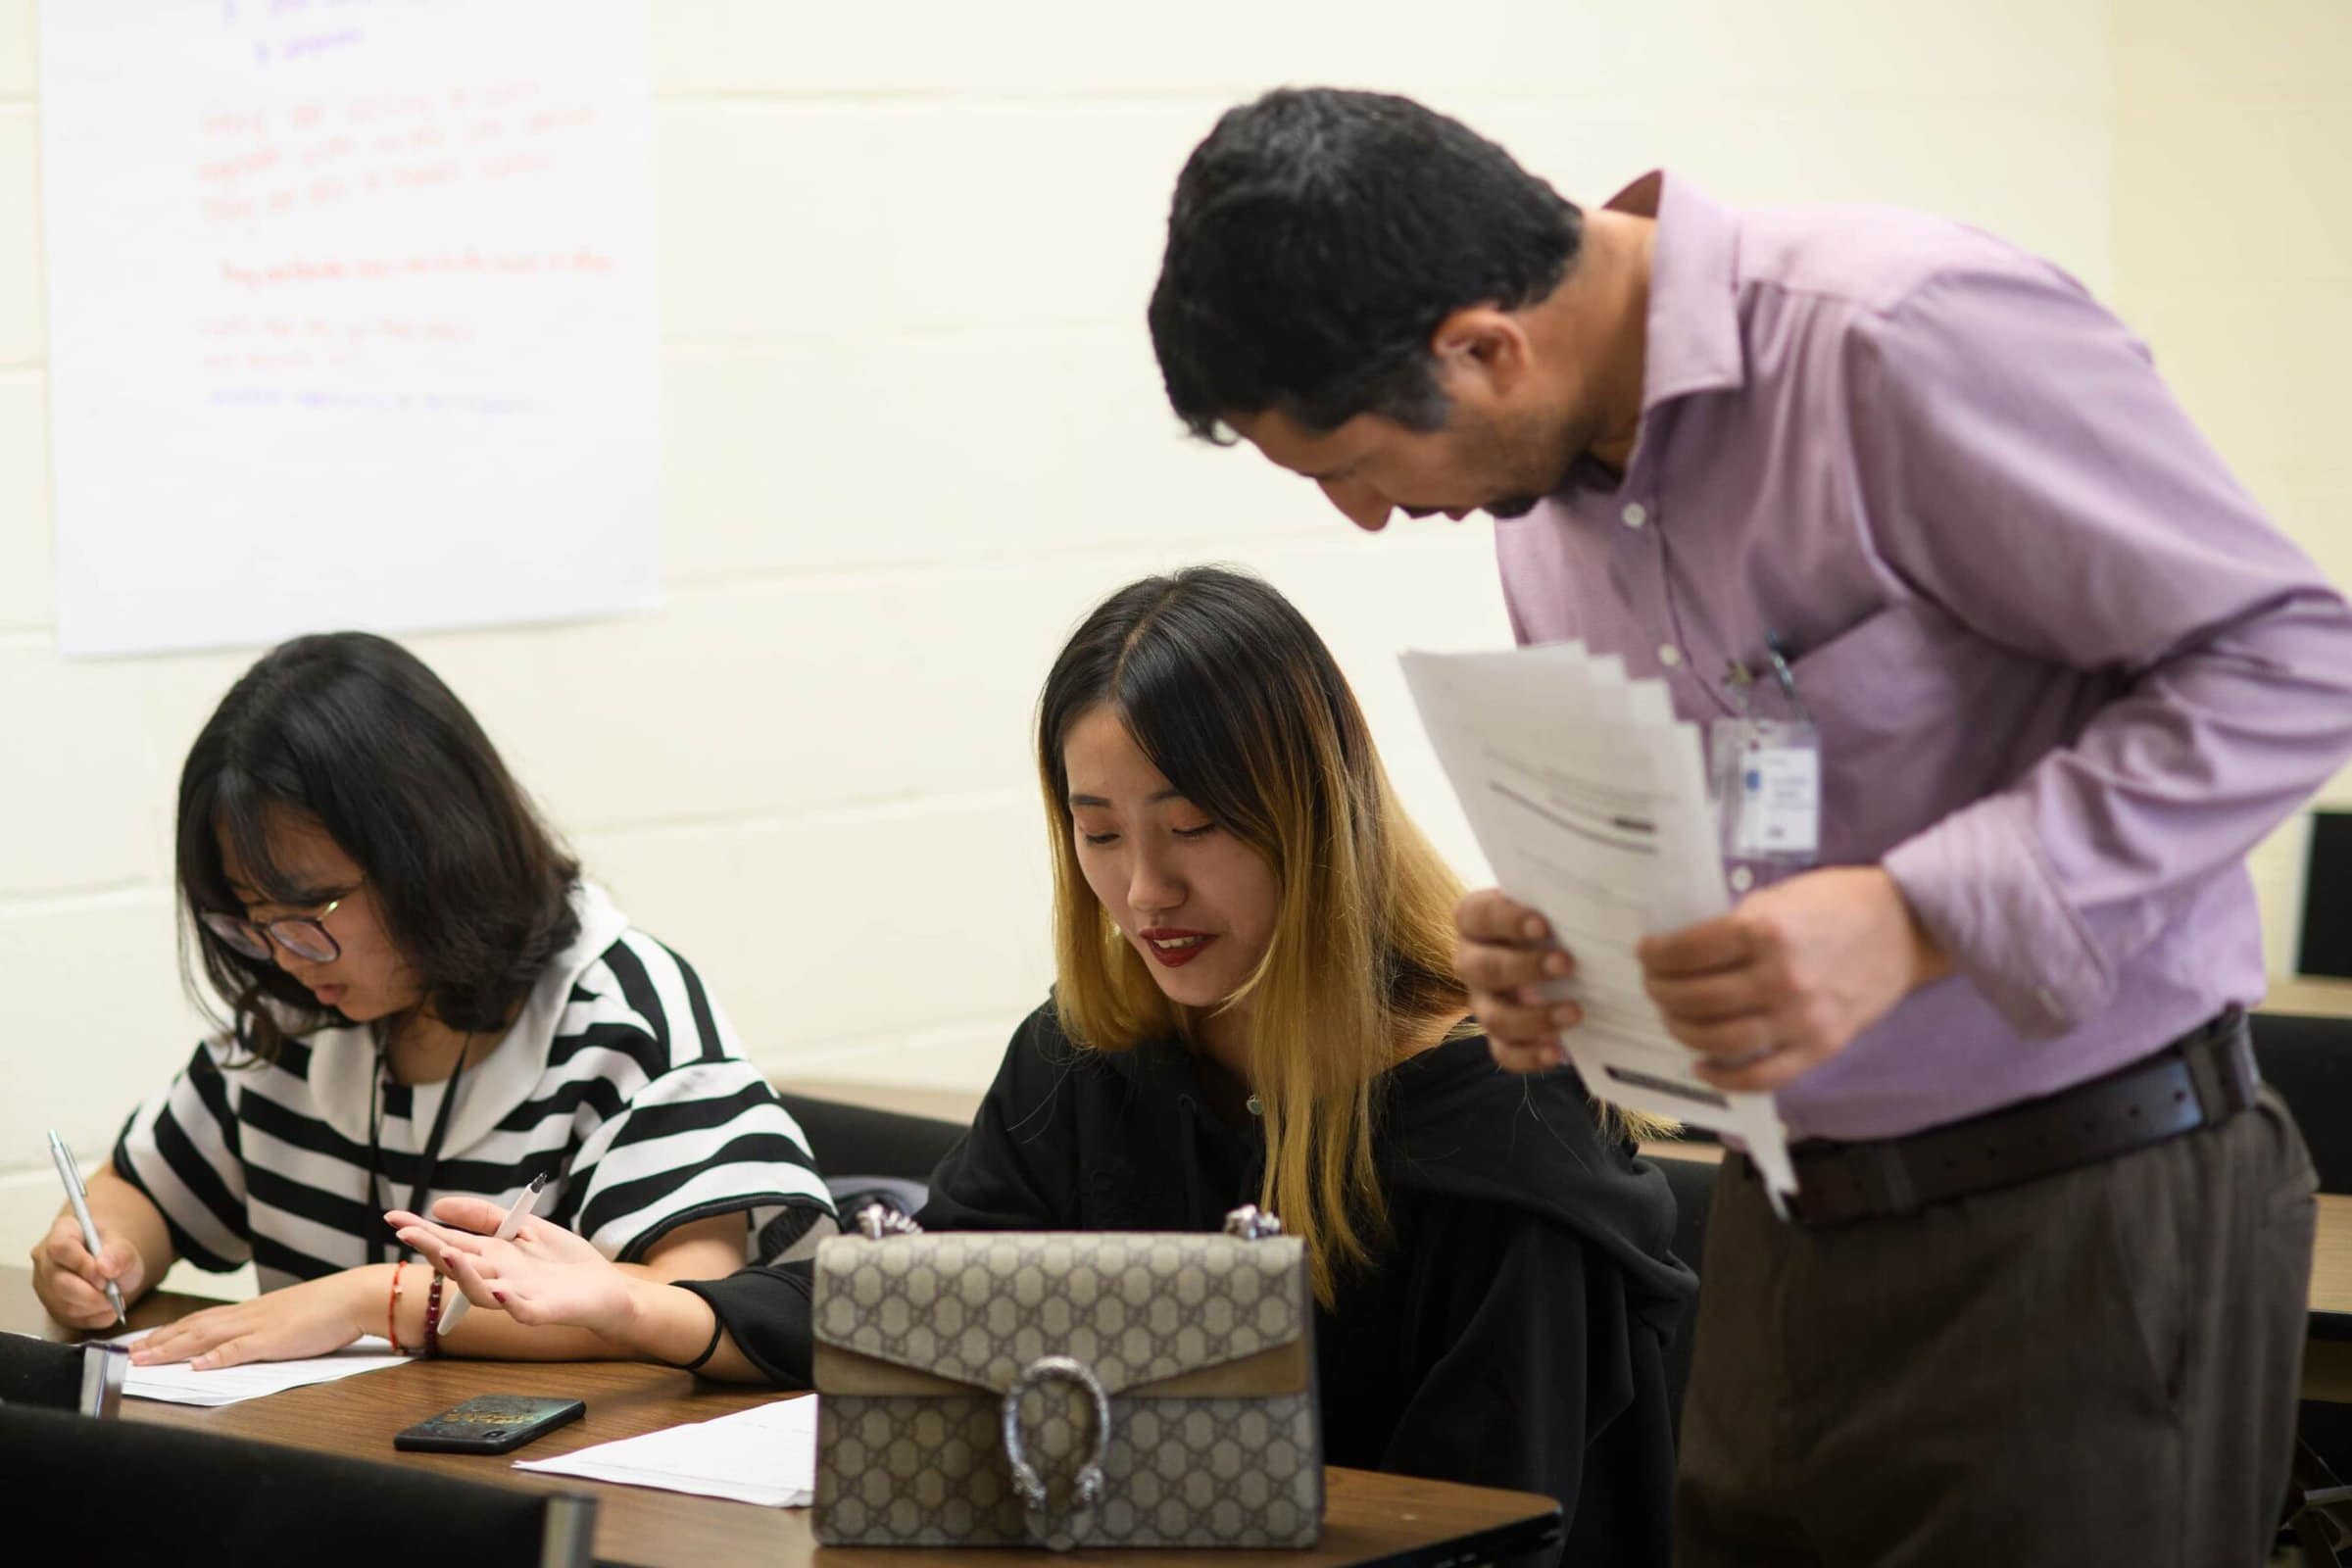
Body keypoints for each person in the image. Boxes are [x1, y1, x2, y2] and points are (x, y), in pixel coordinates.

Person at [1146, 87, 2352, 1566]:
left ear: (1481, 347)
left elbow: (2294, 661)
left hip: (2087, 1210)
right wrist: (1570, 954)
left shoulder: (1900, 335)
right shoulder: (1542, 496)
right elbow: (1765, 818)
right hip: (1787, 1217)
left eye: (1349, 466)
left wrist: (1913, 917)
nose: (1367, 520)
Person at [396, 567, 1694, 1564]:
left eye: (1195, 828)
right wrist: (635, 1308)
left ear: (1314, 813)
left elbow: (1486, 1524)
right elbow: (933, 1313)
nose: (1145, 889)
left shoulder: (1500, 1112)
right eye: (1098, 831)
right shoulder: (1094, 1058)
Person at [30, 632, 834, 1367]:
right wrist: (103, 1250)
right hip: (337, 1466)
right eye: (252, 917)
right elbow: (145, 1189)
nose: (282, 953)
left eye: (312, 911)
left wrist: (374, 1299)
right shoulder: (298, 1013)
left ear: (430, 857)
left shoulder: (623, 1014)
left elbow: (693, 1297)